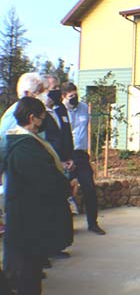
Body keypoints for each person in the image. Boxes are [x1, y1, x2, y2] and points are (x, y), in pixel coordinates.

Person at [3, 97, 73, 295]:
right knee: (28, 273)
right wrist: (66, 187)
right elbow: (45, 178)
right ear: (32, 118)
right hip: (26, 219)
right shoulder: (24, 146)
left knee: (29, 269)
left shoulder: (25, 142)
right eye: (42, 119)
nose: (43, 124)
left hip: (28, 217)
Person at [61, 82, 106, 235]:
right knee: (65, 191)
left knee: (89, 189)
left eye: (76, 95)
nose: (74, 98)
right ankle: (66, 227)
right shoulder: (59, 112)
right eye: (71, 96)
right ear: (64, 97)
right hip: (66, 155)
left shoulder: (84, 107)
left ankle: (93, 223)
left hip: (81, 154)